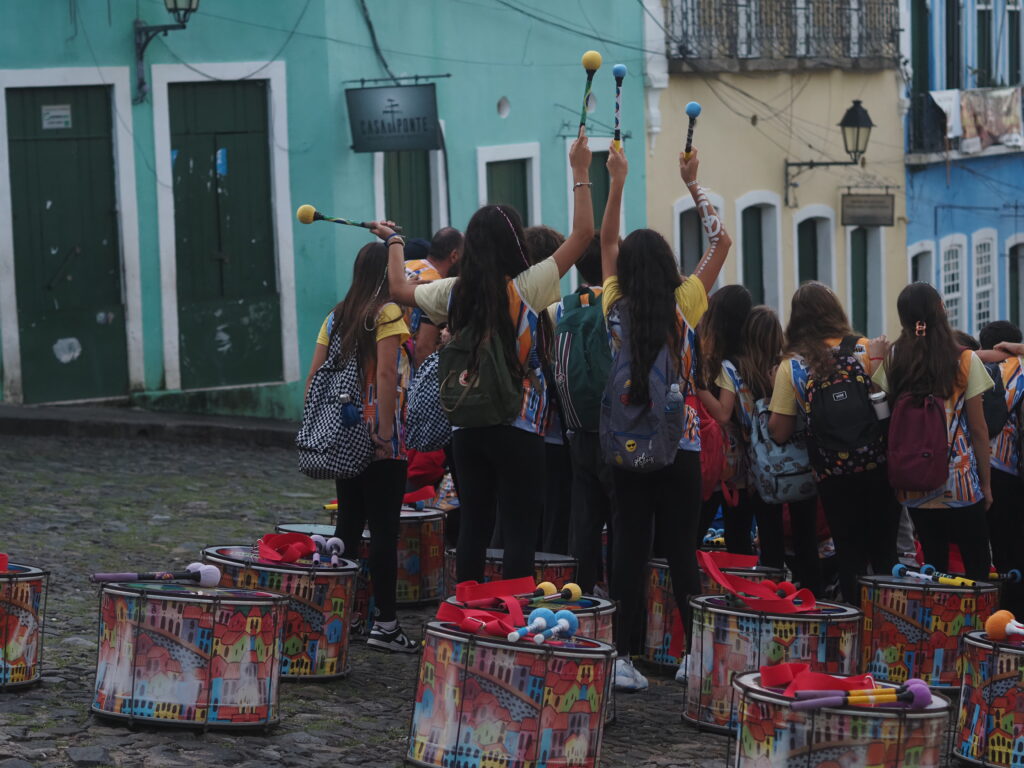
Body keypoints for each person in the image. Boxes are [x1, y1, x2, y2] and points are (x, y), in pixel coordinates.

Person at [378, 131, 595, 582]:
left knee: (474, 526)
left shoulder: (452, 292)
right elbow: (583, 236)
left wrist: (395, 241)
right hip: (519, 425)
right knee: (518, 529)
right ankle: (510, 610)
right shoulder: (529, 286)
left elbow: (398, 289)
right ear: (515, 243)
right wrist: (580, 171)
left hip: (467, 423)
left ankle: (467, 608)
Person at [600, 144, 732, 691]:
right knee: (681, 551)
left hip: (627, 445)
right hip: (682, 446)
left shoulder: (613, 305)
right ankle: (693, 657)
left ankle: (621, 658)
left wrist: (616, 181)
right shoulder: (688, 303)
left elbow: (607, 241)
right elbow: (721, 242)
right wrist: (692, 184)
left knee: (628, 549)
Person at [304, 242, 416, 652]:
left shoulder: (336, 316)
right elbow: (386, 374)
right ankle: (385, 624)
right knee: (384, 529)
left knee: (348, 525)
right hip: (380, 434)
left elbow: (314, 376)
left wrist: (319, 425)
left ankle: (344, 616)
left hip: (342, 431)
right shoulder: (388, 313)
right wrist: (385, 432)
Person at [768, 282, 896, 604]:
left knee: (849, 554)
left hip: (832, 472)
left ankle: (854, 622)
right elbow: (889, 403)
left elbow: (779, 431)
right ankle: (887, 625)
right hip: (878, 464)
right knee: (884, 551)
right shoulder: (865, 348)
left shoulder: (791, 365)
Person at [873, 282, 993, 579]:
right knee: (977, 564)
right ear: (941, 310)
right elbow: (979, 430)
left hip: (913, 482)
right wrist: (987, 485)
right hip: (960, 482)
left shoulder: (894, 357)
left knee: (935, 567)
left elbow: (882, 409)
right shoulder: (965, 359)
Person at [710, 304, 823, 589]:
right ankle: (812, 593)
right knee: (805, 535)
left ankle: (771, 595)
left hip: (760, 469)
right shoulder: (789, 367)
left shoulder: (732, 369)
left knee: (769, 538)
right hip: (800, 463)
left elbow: (724, 413)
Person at [557, 234, 617, 594]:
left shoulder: (564, 308)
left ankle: (581, 592)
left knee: (585, 521)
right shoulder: (616, 307)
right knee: (620, 519)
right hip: (615, 429)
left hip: (577, 427)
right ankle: (620, 598)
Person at [525, 225, 573, 555]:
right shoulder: (559, 311)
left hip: (519, 428)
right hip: (555, 435)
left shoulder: (513, 304)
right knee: (556, 521)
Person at [696, 285, 753, 553]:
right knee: (740, 537)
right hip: (747, 467)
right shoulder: (751, 361)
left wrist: (697, 387)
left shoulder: (724, 366)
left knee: (695, 532)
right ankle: (741, 577)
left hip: (721, 463)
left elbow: (722, 413)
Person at [978, 321, 1024, 612]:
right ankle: (1015, 613)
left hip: (973, 472)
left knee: (981, 551)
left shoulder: (971, 366)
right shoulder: (1020, 370)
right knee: (1014, 551)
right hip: (1011, 474)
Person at [404, 228, 464, 368]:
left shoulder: (409, 264)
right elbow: (423, 348)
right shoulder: (435, 286)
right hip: (400, 365)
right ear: (454, 256)